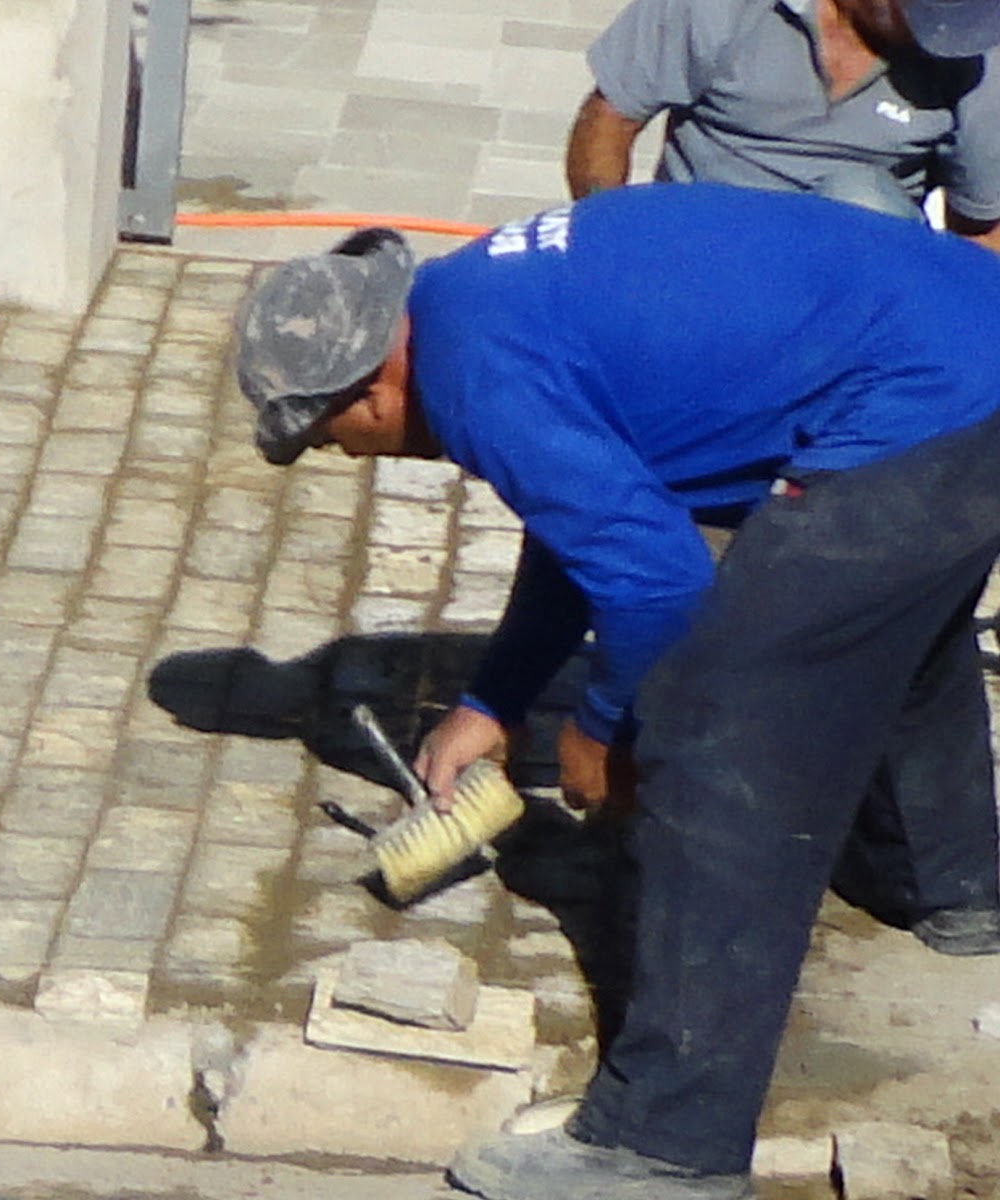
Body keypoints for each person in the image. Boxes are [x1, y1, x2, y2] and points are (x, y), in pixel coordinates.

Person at [232, 183, 1000, 1198]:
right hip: (969, 337)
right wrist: (494, 702)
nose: (348, 455)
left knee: (719, 741)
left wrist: (606, 732)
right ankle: (949, 886)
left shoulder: (474, 381)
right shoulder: (469, 306)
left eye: (333, 439)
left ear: (370, 390)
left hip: (925, 405)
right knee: (882, 614)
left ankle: (664, 1141)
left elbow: (658, 584)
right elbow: (588, 524)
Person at [567, 0, 1000, 246]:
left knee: (861, 197)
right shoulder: (727, 10)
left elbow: (981, 230)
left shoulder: (971, 59)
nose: (945, 33)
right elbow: (610, 119)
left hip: (856, 284)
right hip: (703, 248)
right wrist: (608, 240)